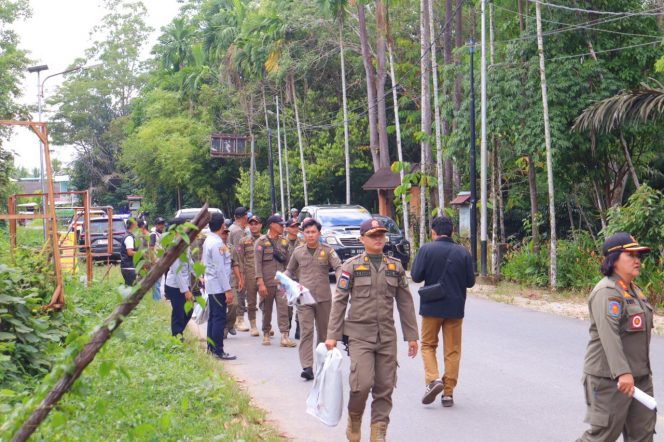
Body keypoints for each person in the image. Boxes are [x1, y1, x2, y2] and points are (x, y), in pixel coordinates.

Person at [326, 218, 419, 442]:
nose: (378, 239)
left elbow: (405, 303)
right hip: (359, 336)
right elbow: (339, 301)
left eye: (381, 235)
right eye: (373, 235)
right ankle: (355, 417)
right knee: (361, 384)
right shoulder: (351, 266)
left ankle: (378, 433)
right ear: (362, 239)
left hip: (387, 336)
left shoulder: (394, 267)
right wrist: (332, 336)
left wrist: (412, 337)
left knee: (385, 387)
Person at [577, 232, 655, 442]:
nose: (637, 260)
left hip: (639, 378)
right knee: (604, 434)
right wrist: (623, 373)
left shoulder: (635, 291)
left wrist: (640, 374)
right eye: (630, 255)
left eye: (639, 256)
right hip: (610, 379)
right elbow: (609, 336)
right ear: (613, 260)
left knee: (643, 435)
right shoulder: (606, 292)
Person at [410, 216, 476, 408]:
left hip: (431, 307)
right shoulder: (463, 252)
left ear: (433, 232)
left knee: (428, 345)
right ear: (452, 231)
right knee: (452, 350)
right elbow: (470, 282)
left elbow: (415, 276)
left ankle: (433, 380)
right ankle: (448, 393)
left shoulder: (426, 249)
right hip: (455, 308)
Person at [285, 218, 341, 380]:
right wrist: (283, 279)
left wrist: (340, 283)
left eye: (313, 232)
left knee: (324, 334)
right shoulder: (298, 252)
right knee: (306, 332)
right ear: (303, 234)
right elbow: (289, 270)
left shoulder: (328, 250)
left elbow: (338, 267)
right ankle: (307, 367)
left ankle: (323, 364)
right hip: (304, 299)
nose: (310, 235)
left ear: (319, 233)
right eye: (307, 232)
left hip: (324, 298)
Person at [255, 214, 296, 348]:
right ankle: (266, 333)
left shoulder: (284, 242)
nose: (283, 227)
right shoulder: (261, 242)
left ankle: (285, 335)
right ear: (272, 225)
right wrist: (260, 283)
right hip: (267, 282)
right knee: (266, 308)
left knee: (284, 308)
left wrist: (289, 280)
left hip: (281, 282)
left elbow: (289, 263)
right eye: (280, 225)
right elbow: (257, 264)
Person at [202, 212, 236, 360]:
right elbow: (220, 269)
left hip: (214, 285)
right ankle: (218, 350)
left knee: (213, 318)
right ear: (222, 225)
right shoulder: (216, 243)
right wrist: (227, 289)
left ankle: (211, 348)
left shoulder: (211, 240)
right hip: (218, 286)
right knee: (219, 318)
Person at [164, 217, 195, 340]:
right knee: (179, 312)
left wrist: (198, 275)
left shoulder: (184, 242)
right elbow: (177, 272)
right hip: (175, 285)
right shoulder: (174, 245)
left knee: (188, 310)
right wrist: (185, 290)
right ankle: (177, 336)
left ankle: (178, 333)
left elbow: (190, 262)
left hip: (183, 284)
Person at [236, 214, 263, 337]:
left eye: (256, 223)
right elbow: (239, 259)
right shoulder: (243, 241)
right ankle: (253, 326)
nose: (253, 226)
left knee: (266, 301)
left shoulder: (265, 240)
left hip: (264, 274)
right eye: (251, 224)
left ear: (260, 225)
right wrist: (241, 277)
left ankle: (266, 325)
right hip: (250, 274)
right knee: (251, 302)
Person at [228, 207, 250, 333]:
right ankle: (239, 320)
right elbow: (239, 253)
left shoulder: (232, 228)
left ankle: (235, 320)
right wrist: (241, 273)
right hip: (237, 267)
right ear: (244, 217)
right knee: (240, 292)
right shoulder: (237, 232)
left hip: (233, 267)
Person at [221, 221, 244, 339]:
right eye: (222, 233)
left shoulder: (231, 248)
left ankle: (229, 324)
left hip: (231, 281)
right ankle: (223, 327)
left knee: (234, 304)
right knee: (220, 307)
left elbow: (235, 264)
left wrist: (240, 279)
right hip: (218, 282)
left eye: (226, 234)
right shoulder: (214, 246)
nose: (224, 235)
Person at [284, 218, 305, 338]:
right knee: (287, 305)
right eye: (292, 226)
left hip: (300, 276)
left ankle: (299, 327)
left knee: (301, 304)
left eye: (297, 226)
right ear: (287, 229)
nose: (295, 228)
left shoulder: (303, 242)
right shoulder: (281, 242)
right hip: (287, 277)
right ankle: (287, 327)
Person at [149, 217, 166, 301]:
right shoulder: (153, 234)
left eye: (162, 224)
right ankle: (156, 300)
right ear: (156, 225)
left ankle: (157, 299)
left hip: (161, 261)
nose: (161, 225)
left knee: (158, 281)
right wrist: (153, 262)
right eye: (159, 224)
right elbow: (151, 248)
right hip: (156, 262)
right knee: (156, 282)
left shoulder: (162, 234)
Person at [120, 218, 138, 286]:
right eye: (136, 224)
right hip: (129, 267)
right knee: (131, 288)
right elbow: (130, 252)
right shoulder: (129, 237)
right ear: (133, 225)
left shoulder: (128, 235)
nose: (137, 226)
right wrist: (140, 254)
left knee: (129, 287)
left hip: (127, 266)